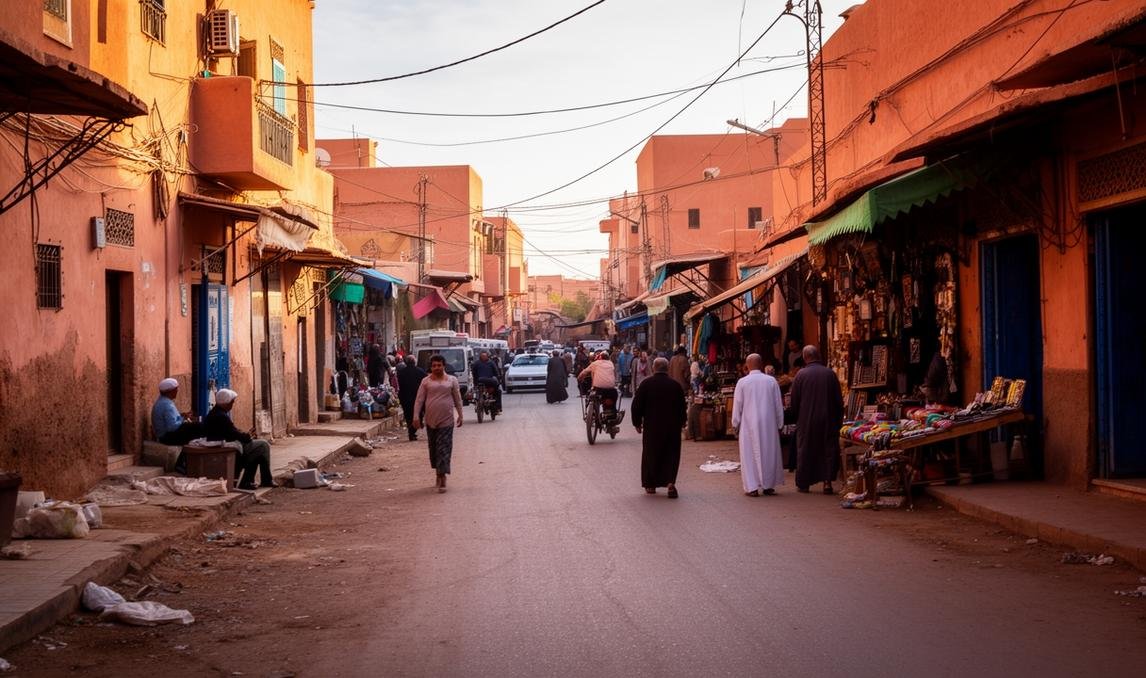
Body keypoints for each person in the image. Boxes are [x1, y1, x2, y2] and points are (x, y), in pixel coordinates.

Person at [790, 345, 845, 494]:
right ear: (818, 356)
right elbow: (838, 401)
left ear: (805, 357)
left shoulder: (800, 375)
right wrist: (838, 420)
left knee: (806, 449)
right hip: (828, 418)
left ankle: (804, 483)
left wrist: (796, 418)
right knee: (827, 449)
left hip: (806, 419)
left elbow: (794, 401)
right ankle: (827, 483)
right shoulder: (830, 374)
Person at [631, 357, 687, 498]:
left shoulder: (646, 384)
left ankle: (650, 485)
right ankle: (670, 483)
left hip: (652, 427)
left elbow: (636, 405)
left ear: (654, 368)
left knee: (651, 453)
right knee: (671, 455)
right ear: (667, 369)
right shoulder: (675, 385)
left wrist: (637, 423)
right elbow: (682, 407)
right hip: (672, 427)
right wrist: (683, 422)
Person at [731, 354, 785, 496]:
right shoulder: (771, 381)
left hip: (748, 424)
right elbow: (778, 405)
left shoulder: (742, 382)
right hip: (769, 423)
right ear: (761, 365)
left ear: (747, 366)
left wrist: (735, 423)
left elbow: (737, 405)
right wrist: (780, 423)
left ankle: (752, 487)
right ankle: (768, 485)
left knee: (749, 455)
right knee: (768, 452)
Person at [203, 389, 273, 491]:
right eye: (232, 402)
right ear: (226, 403)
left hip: (228, 444)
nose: (232, 404)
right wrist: (247, 436)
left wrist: (244, 435)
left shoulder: (216, 413)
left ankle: (250, 481)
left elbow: (231, 431)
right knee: (263, 445)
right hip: (228, 447)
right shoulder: (221, 416)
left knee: (258, 451)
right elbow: (233, 434)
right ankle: (263, 480)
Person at [412, 355, 464, 493]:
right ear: (431, 367)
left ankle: (443, 477)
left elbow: (457, 399)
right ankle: (438, 473)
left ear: (444, 366)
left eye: (439, 365)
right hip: (430, 420)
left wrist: (460, 415)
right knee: (434, 449)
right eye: (434, 366)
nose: (436, 368)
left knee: (444, 448)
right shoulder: (426, 381)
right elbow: (419, 400)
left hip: (446, 420)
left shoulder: (452, 380)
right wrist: (416, 416)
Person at [151, 378, 202, 445]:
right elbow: (172, 427)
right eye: (176, 389)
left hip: (164, 436)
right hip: (167, 438)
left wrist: (182, 416)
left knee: (193, 426)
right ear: (171, 391)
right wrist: (183, 419)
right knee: (196, 426)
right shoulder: (166, 404)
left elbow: (170, 419)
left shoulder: (162, 401)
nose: (177, 391)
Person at [578, 351, 619, 417]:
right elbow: (614, 375)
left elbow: (584, 372)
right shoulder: (611, 364)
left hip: (598, 389)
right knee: (614, 396)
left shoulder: (595, 363)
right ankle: (612, 411)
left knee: (591, 396)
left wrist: (579, 378)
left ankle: (595, 413)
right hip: (610, 389)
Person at [397, 355, 427, 441]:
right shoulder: (420, 371)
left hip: (404, 397)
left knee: (408, 415)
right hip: (417, 397)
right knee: (418, 414)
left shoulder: (401, 372)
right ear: (414, 362)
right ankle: (412, 431)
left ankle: (411, 432)